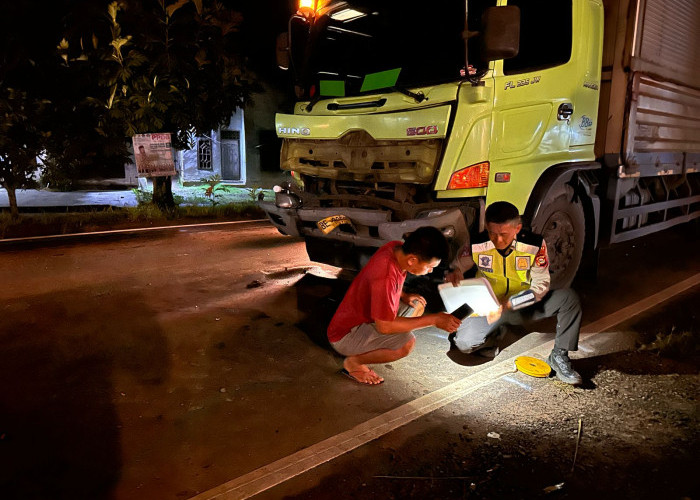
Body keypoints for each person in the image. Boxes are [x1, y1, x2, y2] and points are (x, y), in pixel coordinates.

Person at [445, 201, 583, 385]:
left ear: (517, 228)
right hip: (489, 307)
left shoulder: (533, 244)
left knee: (569, 299)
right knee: (463, 344)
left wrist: (509, 304)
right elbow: (458, 265)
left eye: (504, 234)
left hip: (523, 305)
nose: (498, 240)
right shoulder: (477, 242)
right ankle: (495, 336)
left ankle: (559, 355)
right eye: (492, 233)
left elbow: (540, 286)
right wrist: (455, 272)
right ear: (486, 227)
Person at [328, 226, 462, 385]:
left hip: (365, 319)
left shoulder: (395, 248)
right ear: (412, 260)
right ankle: (354, 363)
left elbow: (387, 284)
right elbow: (384, 327)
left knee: (417, 304)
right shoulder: (385, 275)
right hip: (346, 335)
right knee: (406, 344)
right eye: (430, 266)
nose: (430, 271)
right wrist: (434, 320)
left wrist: (403, 295)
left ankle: (381, 343)